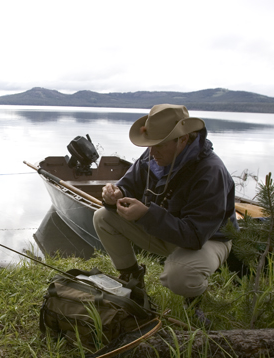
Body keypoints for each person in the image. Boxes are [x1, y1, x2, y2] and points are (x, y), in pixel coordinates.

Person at [93, 104, 238, 324]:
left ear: (183, 140)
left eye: (159, 145)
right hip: (167, 229)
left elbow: (195, 235)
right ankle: (133, 282)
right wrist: (115, 194)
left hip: (208, 240)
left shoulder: (210, 171)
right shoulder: (155, 154)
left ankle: (194, 301)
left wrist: (145, 215)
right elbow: (129, 186)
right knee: (103, 217)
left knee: (179, 277)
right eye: (150, 144)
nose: (152, 151)